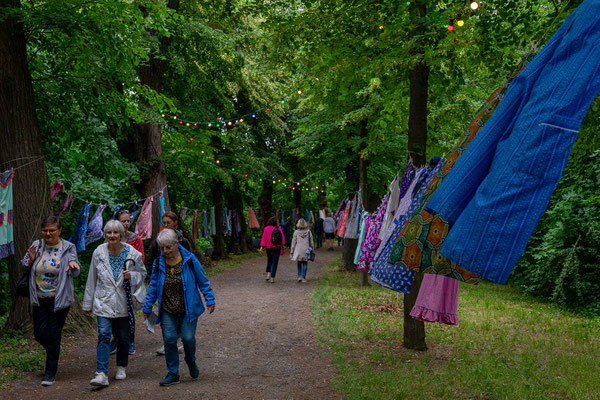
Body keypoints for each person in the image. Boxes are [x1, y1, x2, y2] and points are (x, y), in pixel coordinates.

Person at [143, 228, 216, 386]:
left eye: (168, 247)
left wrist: (209, 299)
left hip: (188, 308)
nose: (165, 251)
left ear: (177, 244)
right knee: (169, 340)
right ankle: (173, 373)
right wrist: (147, 307)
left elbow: (202, 280)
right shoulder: (159, 263)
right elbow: (153, 285)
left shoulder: (189, 259)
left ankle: (190, 360)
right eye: (162, 248)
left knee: (188, 339)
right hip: (168, 309)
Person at [83, 220, 146, 387]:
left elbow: (142, 274)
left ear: (121, 234)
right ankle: (101, 372)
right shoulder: (98, 252)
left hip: (124, 302)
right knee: (104, 334)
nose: (111, 236)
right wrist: (87, 304)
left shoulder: (133, 253)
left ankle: (121, 366)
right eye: (108, 232)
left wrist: (131, 276)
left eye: (115, 232)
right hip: (103, 301)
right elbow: (92, 279)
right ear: (105, 235)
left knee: (123, 336)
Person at [20, 216, 81, 386]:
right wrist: (30, 259)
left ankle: (50, 373)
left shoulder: (68, 247)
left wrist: (73, 265)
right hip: (39, 298)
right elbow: (23, 265)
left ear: (59, 230)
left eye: (52, 230)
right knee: (39, 334)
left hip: (59, 299)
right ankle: (54, 350)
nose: (48, 233)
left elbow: (76, 271)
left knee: (54, 334)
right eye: (45, 230)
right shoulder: (37, 245)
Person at [148, 211, 191, 355]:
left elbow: (190, 262)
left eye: (169, 223)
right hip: (163, 283)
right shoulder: (158, 241)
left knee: (179, 313)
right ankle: (168, 342)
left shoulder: (183, 241)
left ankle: (181, 340)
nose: (166, 225)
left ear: (175, 224)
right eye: (164, 223)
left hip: (180, 284)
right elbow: (152, 258)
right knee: (165, 312)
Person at [109, 209, 145, 355]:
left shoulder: (136, 239)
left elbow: (140, 260)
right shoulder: (111, 238)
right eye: (123, 221)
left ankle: (130, 340)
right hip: (113, 281)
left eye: (128, 220)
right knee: (112, 311)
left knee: (128, 311)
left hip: (129, 279)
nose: (126, 223)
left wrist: (133, 274)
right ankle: (116, 338)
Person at [259, 216, 285, 283]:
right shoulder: (278, 228)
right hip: (277, 247)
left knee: (269, 260)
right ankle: (272, 277)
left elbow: (264, 237)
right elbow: (282, 237)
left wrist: (262, 246)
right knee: (275, 262)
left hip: (268, 247)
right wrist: (282, 246)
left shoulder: (266, 228)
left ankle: (268, 274)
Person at [290, 218, 313, 282]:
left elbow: (293, 242)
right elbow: (311, 242)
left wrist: (292, 251)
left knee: (299, 262)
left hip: (298, 250)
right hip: (306, 249)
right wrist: (312, 249)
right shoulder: (308, 232)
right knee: (305, 263)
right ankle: (304, 277)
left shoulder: (296, 232)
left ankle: (299, 276)